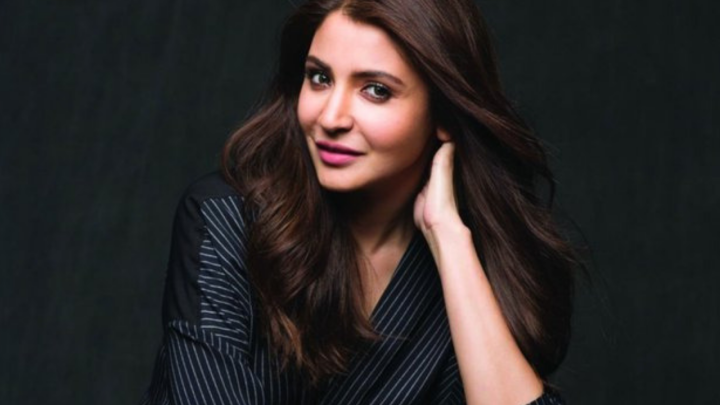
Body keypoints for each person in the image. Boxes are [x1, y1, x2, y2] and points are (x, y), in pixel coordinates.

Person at [141, 0, 579, 403]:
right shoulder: (225, 220)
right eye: (320, 78)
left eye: (376, 90)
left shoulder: (476, 267)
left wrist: (449, 238)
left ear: (444, 113)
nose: (331, 118)